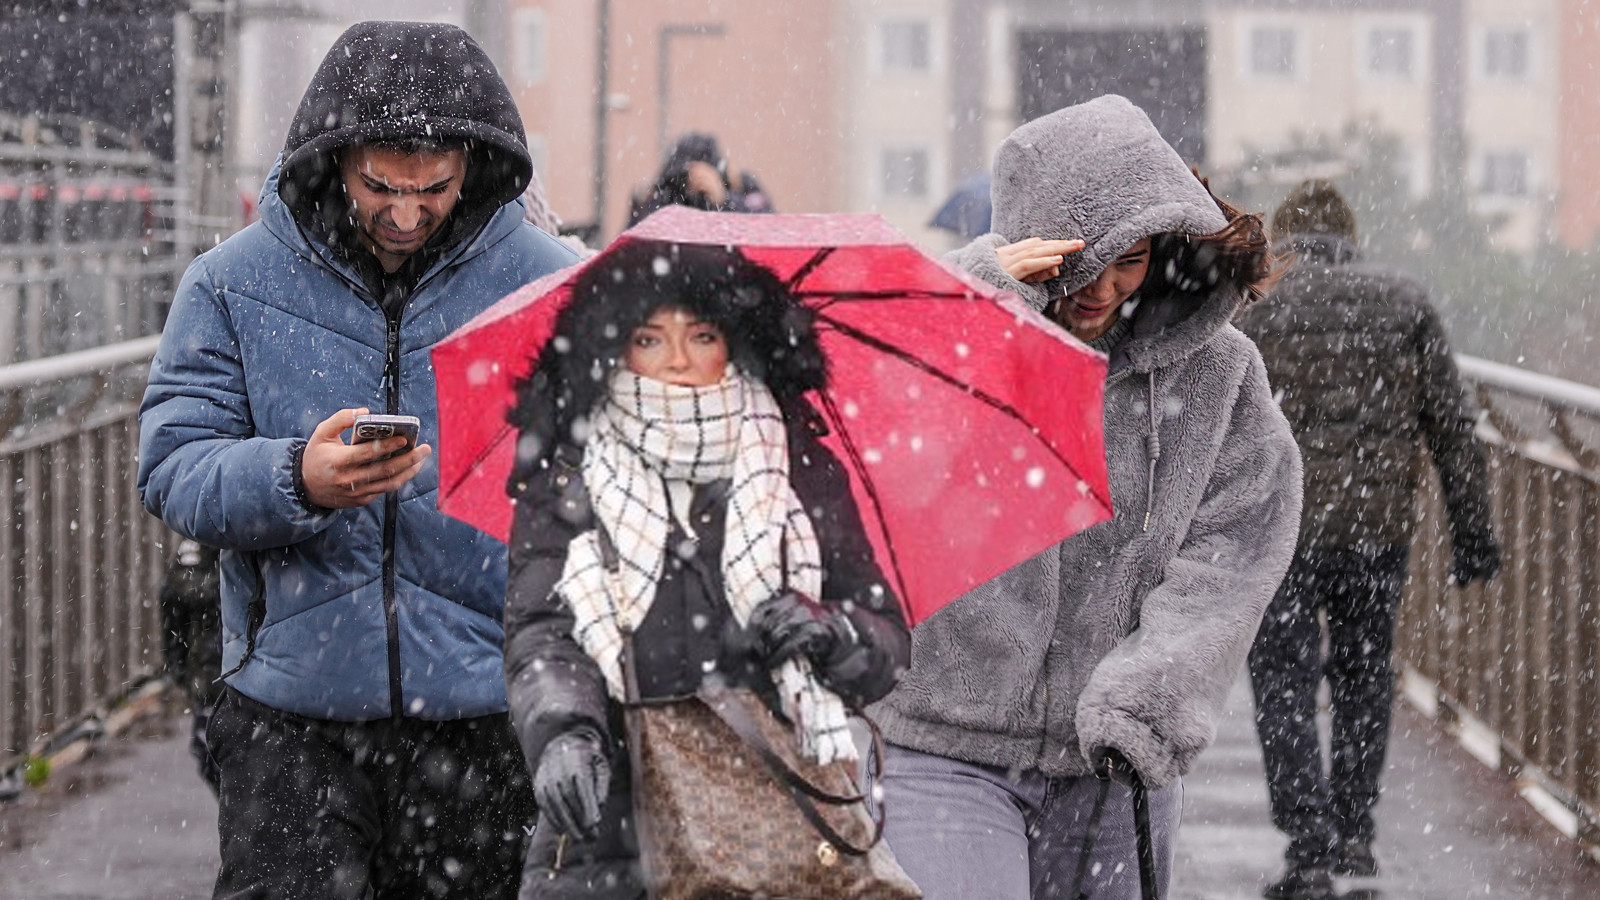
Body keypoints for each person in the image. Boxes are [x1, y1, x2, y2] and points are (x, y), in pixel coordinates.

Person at [137, 21, 578, 899]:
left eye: (435, 189)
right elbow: (171, 464)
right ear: (330, 161)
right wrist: (293, 479)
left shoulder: (552, 286)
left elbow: (608, 477)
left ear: (473, 168)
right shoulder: (229, 285)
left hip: (485, 716)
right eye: (382, 186)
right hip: (290, 723)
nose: (407, 214)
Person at [868, 94, 1304, 900]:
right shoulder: (953, 333)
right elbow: (877, 440)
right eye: (1084, 258)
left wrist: (1151, 696)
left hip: (1113, 758)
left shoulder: (1216, 372)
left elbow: (1238, 543)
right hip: (942, 742)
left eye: (1131, 259)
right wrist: (979, 309)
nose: (1105, 287)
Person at [501, 240, 910, 899]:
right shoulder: (570, 476)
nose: (680, 363)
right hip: (617, 827)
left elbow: (884, 636)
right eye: (649, 339)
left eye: (702, 335)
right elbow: (545, 634)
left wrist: (826, 629)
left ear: (737, 341)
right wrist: (565, 735)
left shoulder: (797, 463)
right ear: (615, 348)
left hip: (783, 821)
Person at [1235, 178, 1501, 900]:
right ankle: (1353, 831)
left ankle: (1307, 847)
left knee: (1282, 681)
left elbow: (1220, 421)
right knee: (1363, 674)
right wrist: (1473, 534)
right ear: (1350, 236)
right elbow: (1451, 426)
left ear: (1285, 239)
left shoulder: (1257, 301)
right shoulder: (1405, 302)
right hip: (1374, 530)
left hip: (1281, 529)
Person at [156, 538, 224, 794]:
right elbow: (180, 589)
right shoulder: (203, 537)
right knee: (209, 752)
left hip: (258, 677)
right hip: (212, 675)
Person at [626, 132, 774, 227]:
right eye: (687, 176)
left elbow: (768, 229)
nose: (695, 183)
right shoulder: (662, 193)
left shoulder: (742, 185)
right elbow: (630, 246)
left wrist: (724, 201)